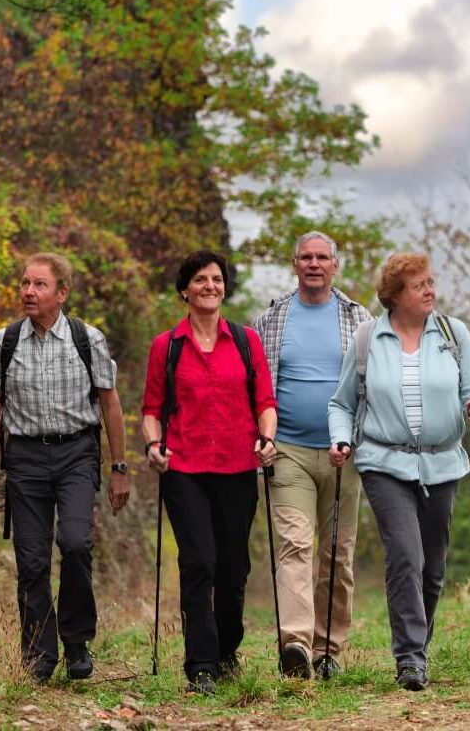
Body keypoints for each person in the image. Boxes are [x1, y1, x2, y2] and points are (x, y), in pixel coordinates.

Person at [328, 252, 470, 691]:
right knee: (405, 556)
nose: (430, 291)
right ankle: (410, 658)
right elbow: (342, 404)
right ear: (396, 294)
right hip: (384, 462)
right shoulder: (368, 338)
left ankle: (418, 644)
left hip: (442, 462)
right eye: (420, 285)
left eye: (431, 282)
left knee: (432, 569)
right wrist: (341, 439)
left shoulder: (453, 333)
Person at [0, 252, 130, 684]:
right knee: (32, 560)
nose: (28, 291)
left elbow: (110, 404)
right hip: (24, 458)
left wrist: (119, 467)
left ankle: (76, 640)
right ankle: (39, 657)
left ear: (62, 293)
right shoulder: (4, 342)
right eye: (25, 283)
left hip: (76, 453)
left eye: (39, 284)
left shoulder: (87, 339)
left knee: (75, 543)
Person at [142, 249, 278, 695]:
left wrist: (267, 438)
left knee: (233, 568)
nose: (210, 286)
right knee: (199, 562)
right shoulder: (167, 346)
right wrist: (153, 446)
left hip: (238, 466)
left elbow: (265, 403)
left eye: (216, 279)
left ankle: (226, 650)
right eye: (200, 279)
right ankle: (201, 664)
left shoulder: (245, 341)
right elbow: (151, 410)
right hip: (184, 469)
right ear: (185, 289)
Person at [252, 231, 371, 679]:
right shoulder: (271, 319)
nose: (314, 264)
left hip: (345, 455)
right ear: (295, 264)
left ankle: (328, 650)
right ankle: (296, 646)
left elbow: (373, 385)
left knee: (337, 554)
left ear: (335, 265)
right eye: (306, 257)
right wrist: (260, 437)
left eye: (322, 257)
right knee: (295, 545)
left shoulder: (360, 319)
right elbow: (256, 385)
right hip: (288, 452)